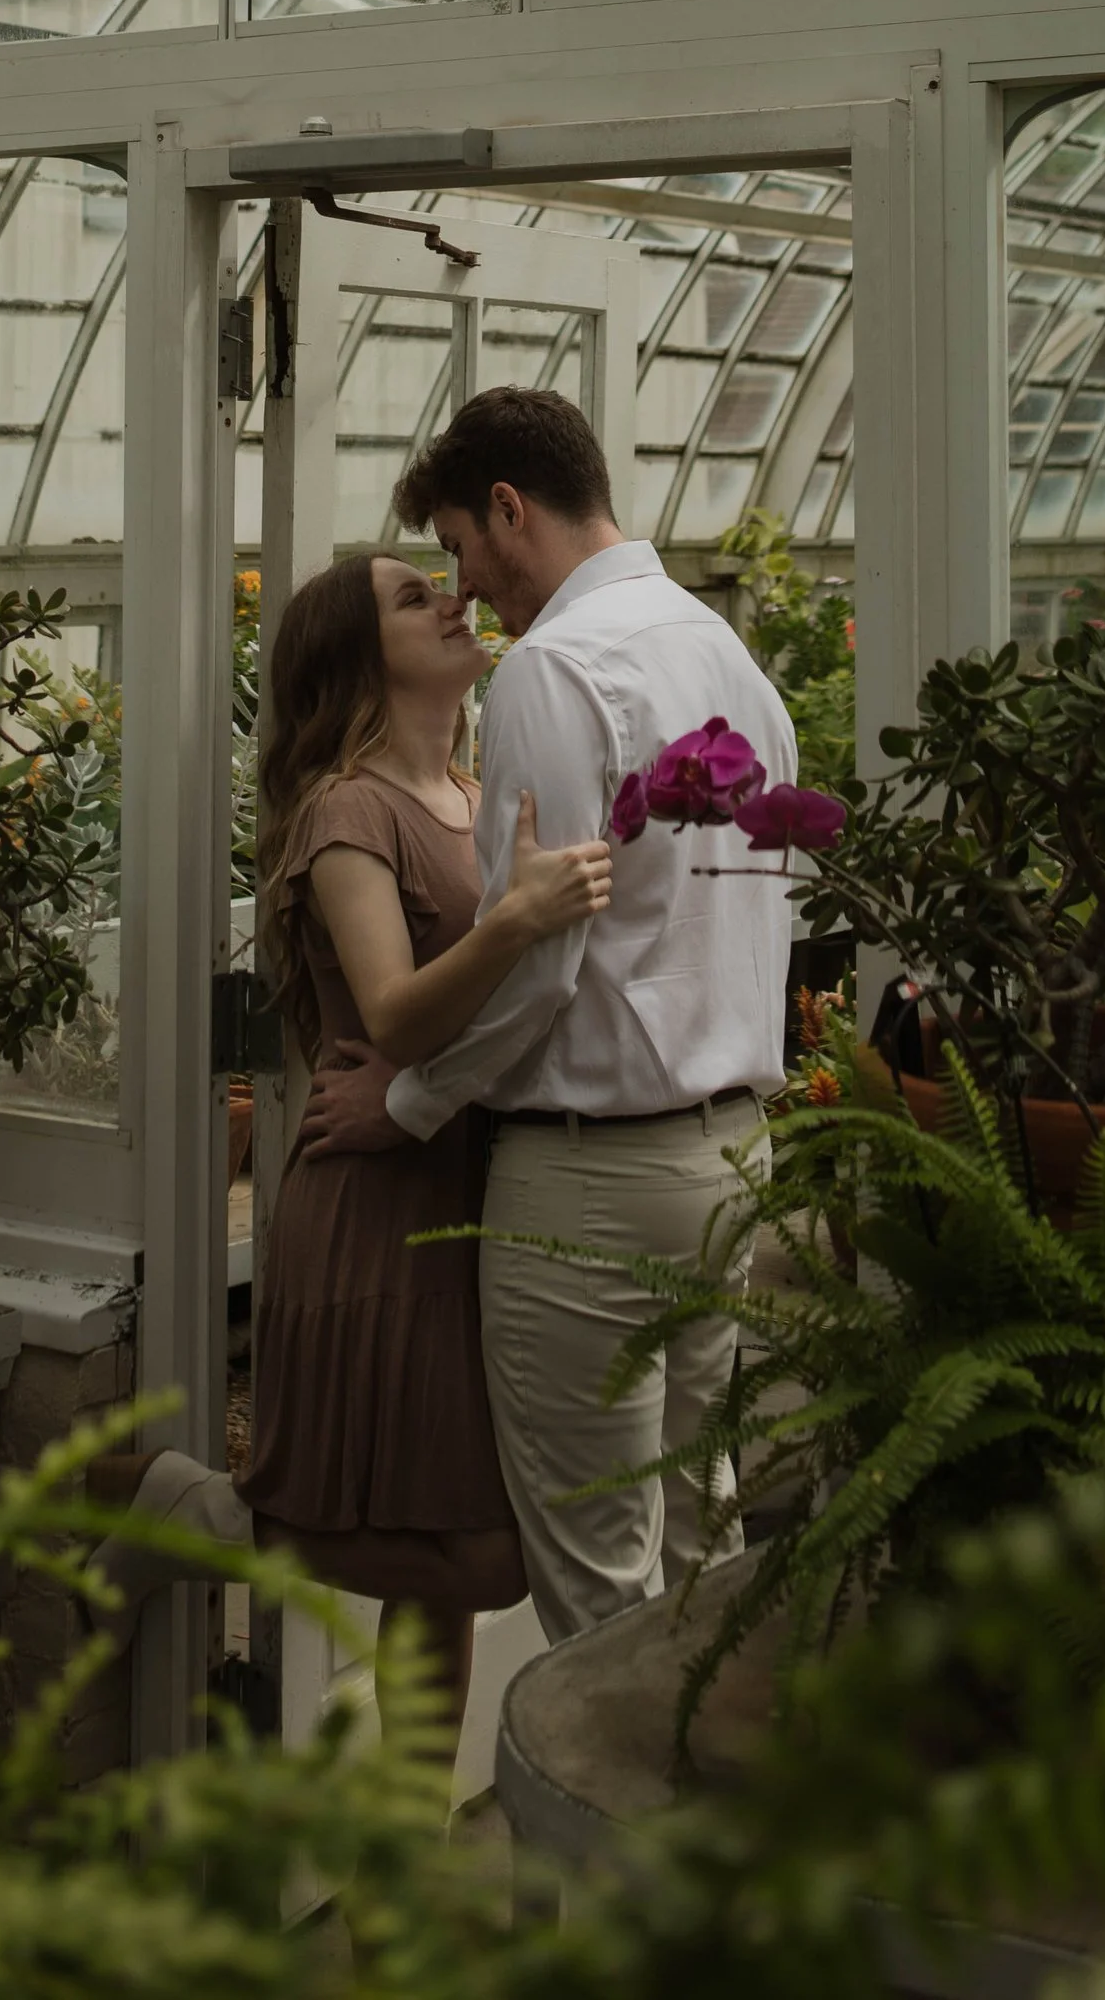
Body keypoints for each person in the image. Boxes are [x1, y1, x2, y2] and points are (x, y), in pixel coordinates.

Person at [87, 549, 613, 1732]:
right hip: (375, 1205)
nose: (449, 597)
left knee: (442, 1561)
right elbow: (389, 1010)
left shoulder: (479, 802)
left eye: (441, 580)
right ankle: (171, 1511)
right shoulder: (344, 807)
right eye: (409, 596)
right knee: (472, 1555)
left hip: (475, 1190)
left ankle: (396, 1887)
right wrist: (517, 919)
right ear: (355, 656)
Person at [304, 386, 796, 1647]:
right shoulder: (726, 654)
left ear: (509, 510)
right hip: (735, 1155)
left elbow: (540, 959)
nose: (466, 589)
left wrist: (404, 1102)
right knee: (705, 1543)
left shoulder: (556, 671)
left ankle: (607, 1842)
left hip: (595, 1184)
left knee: (597, 1594)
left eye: (461, 550)